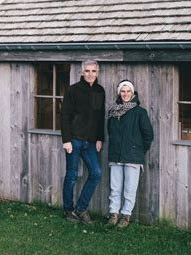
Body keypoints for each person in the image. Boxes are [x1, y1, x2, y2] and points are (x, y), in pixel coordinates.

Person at [61, 59, 105, 224]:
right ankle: (68, 210)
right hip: (74, 140)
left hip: (91, 143)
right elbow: (64, 116)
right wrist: (66, 140)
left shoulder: (100, 91)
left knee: (96, 173)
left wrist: (100, 137)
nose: (90, 74)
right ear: (82, 72)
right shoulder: (73, 90)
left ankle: (81, 209)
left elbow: (100, 116)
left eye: (93, 71)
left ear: (97, 73)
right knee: (72, 175)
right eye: (87, 71)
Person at [106, 80, 154, 229]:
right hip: (116, 155)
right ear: (119, 93)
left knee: (129, 189)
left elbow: (148, 135)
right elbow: (110, 132)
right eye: (123, 91)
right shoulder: (113, 111)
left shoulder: (140, 112)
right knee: (115, 188)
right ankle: (113, 214)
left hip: (133, 156)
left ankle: (126, 215)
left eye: (128, 91)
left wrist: (138, 149)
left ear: (133, 93)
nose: (125, 94)